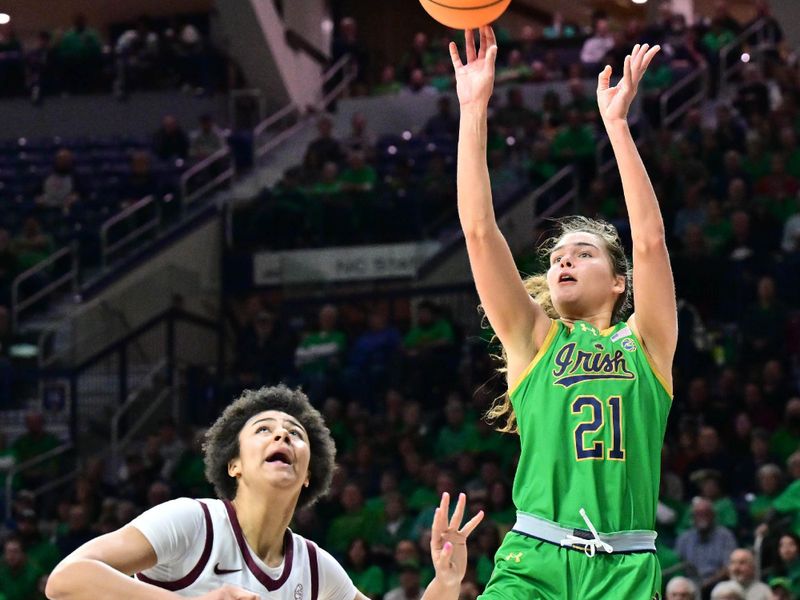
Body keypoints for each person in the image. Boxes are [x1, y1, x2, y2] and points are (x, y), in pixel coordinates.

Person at [450, 28, 675, 599]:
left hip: (626, 566)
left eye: (583, 253)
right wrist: (473, 109)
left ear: (619, 281)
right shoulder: (533, 338)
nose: (563, 261)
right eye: (555, 257)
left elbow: (649, 240)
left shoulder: (648, 343)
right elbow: (479, 232)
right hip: (535, 561)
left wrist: (618, 127)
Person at [46, 385, 483, 599]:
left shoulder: (315, 570)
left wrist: (445, 582)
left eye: (295, 434)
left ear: (309, 473)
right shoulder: (191, 521)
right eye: (264, 429)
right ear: (233, 463)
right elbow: (66, 581)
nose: (283, 437)